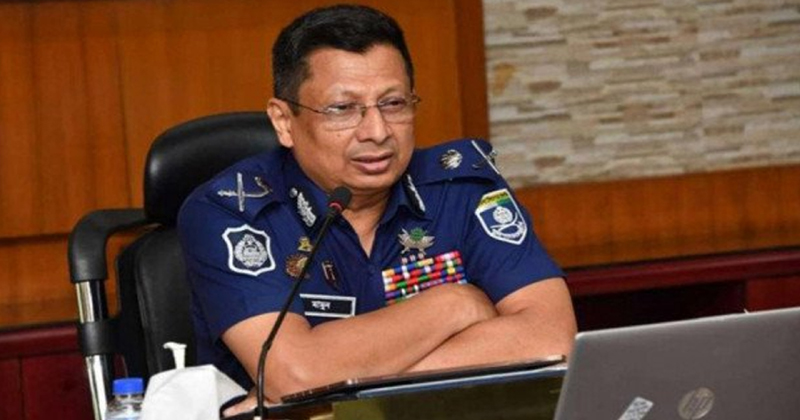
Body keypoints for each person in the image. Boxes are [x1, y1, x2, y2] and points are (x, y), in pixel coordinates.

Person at [177, 4, 576, 416]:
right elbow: (295, 374)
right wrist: (456, 304)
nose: (377, 132)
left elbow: (552, 341)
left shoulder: (462, 190)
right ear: (283, 121)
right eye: (342, 109)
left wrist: (344, 392)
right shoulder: (230, 213)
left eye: (393, 103)